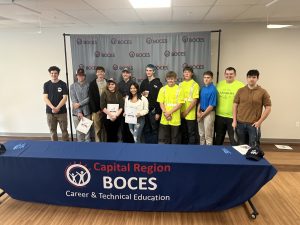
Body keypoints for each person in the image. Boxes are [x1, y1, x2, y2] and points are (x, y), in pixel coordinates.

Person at [232, 69, 271, 147]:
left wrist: (259, 122)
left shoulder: (262, 92)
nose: (251, 79)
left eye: (254, 77)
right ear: (247, 78)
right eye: (249, 77)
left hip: (253, 125)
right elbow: (235, 105)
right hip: (240, 124)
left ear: (257, 78)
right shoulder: (240, 91)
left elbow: (268, 107)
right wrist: (234, 121)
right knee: (240, 146)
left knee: (253, 147)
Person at [214, 67, 244, 145]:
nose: (229, 76)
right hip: (219, 116)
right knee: (218, 139)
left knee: (233, 140)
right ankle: (217, 155)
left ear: (235, 75)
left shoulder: (240, 85)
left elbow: (243, 101)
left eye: (231, 74)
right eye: (227, 74)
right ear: (224, 74)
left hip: (233, 117)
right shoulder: (219, 84)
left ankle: (235, 156)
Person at [157, 71, 184, 144]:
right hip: (165, 118)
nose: (170, 80)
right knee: (166, 138)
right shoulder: (163, 89)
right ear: (166, 79)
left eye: (172, 79)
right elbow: (161, 103)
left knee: (174, 138)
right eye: (169, 79)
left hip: (175, 119)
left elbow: (180, 104)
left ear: (175, 79)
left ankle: (174, 154)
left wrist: (169, 113)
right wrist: (166, 113)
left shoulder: (179, 89)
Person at [43, 66, 69, 141]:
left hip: (62, 112)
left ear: (58, 74)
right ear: (50, 74)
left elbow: (65, 98)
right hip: (50, 112)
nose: (54, 75)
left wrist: (57, 108)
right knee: (52, 131)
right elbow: (45, 98)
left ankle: (66, 146)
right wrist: (53, 108)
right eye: (52, 73)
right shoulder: (46, 84)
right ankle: (54, 146)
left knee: (64, 131)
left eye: (55, 73)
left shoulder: (63, 84)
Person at [140, 64, 163, 143]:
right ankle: (147, 147)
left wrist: (158, 112)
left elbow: (160, 99)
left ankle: (154, 147)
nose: (148, 72)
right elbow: (140, 97)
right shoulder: (144, 82)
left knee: (154, 129)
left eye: (150, 70)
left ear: (153, 71)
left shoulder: (158, 83)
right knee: (145, 128)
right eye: (147, 70)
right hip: (145, 110)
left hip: (154, 111)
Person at [179, 66, 200, 144]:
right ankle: (184, 150)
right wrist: (181, 112)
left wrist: (186, 112)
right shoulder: (180, 84)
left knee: (191, 133)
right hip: (180, 113)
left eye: (188, 72)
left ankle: (191, 149)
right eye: (185, 72)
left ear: (192, 74)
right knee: (183, 133)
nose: (186, 74)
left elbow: (195, 101)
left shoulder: (195, 85)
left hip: (190, 114)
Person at [70, 68, 91, 142]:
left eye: (82, 75)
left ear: (84, 76)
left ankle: (88, 149)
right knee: (79, 132)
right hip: (76, 113)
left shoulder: (89, 85)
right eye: (79, 75)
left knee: (87, 131)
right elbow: (73, 99)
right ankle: (80, 148)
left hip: (86, 111)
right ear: (76, 76)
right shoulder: (72, 86)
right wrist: (79, 111)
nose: (80, 77)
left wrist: (79, 104)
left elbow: (89, 98)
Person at [100, 78, 124, 142]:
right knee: (109, 134)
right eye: (109, 84)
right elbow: (102, 106)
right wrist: (111, 115)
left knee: (115, 133)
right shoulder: (104, 93)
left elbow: (121, 107)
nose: (110, 85)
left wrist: (115, 116)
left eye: (112, 84)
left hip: (117, 117)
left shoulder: (119, 94)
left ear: (115, 85)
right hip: (107, 117)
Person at [197, 71, 217, 145]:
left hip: (209, 114)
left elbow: (211, 106)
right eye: (205, 77)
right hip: (201, 112)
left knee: (208, 136)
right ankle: (202, 150)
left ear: (211, 79)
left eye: (208, 78)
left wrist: (202, 115)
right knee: (201, 134)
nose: (206, 79)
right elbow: (200, 102)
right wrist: (198, 112)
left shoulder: (213, 89)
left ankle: (209, 152)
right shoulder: (202, 88)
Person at [89, 66, 107, 142]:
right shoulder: (92, 84)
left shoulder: (108, 82)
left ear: (104, 73)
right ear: (96, 73)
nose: (100, 73)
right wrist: (96, 110)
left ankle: (106, 143)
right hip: (96, 111)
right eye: (98, 72)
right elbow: (91, 98)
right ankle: (98, 143)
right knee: (97, 129)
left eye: (102, 72)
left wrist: (106, 109)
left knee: (106, 128)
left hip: (107, 110)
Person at [118, 68, 135, 143]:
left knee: (131, 126)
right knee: (123, 126)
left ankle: (131, 142)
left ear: (130, 74)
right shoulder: (118, 84)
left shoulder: (133, 83)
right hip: (122, 108)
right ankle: (124, 142)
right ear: (122, 74)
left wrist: (128, 98)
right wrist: (122, 98)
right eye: (124, 73)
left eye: (127, 73)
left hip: (131, 108)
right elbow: (116, 96)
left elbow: (136, 95)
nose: (125, 74)